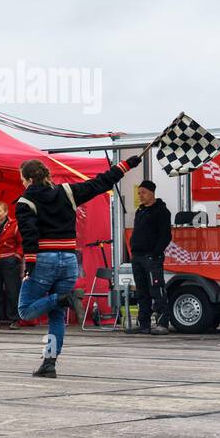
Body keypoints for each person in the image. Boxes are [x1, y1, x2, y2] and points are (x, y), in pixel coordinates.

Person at [16, 154, 141, 378]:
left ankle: (64, 300)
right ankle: (49, 363)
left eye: (22, 180)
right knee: (56, 315)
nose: (22, 184)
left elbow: (29, 236)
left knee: (25, 309)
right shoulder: (67, 191)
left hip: (45, 259)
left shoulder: (25, 202)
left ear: (28, 179)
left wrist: (30, 267)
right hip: (69, 260)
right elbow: (99, 183)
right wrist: (124, 166)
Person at [127, 180, 172, 335]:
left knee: (157, 289)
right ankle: (144, 323)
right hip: (137, 256)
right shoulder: (140, 211)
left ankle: (162, 324)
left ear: (152, 192)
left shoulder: (161, 211)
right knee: (141, 291)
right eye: (139, 193)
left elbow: (166, 235)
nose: (140, 196)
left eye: (143, 192)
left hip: (151, 257)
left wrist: (155, 253)